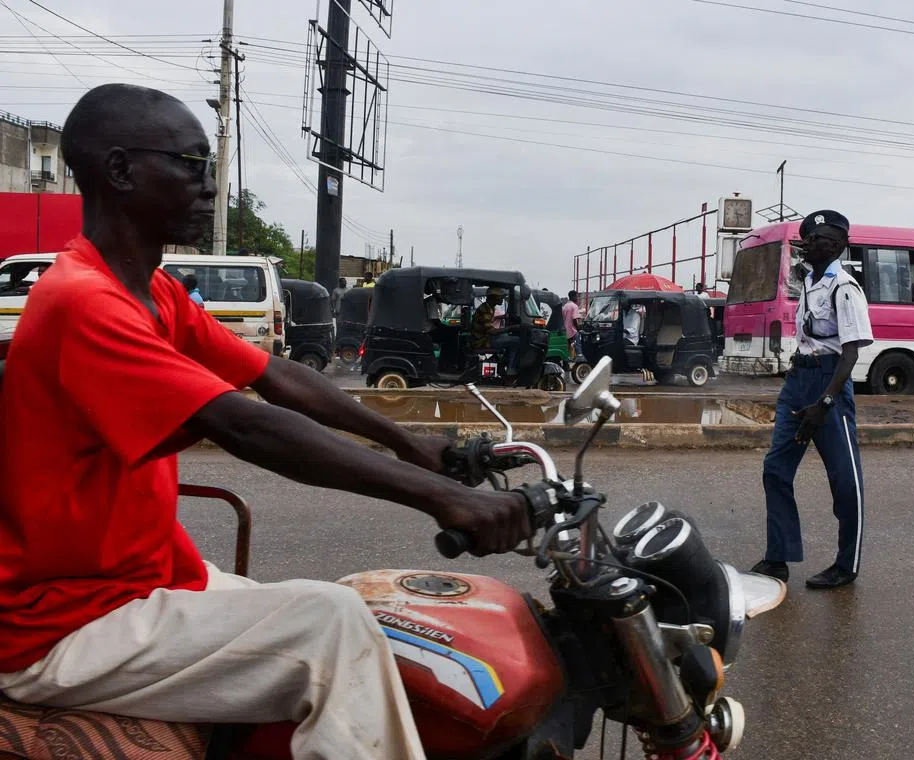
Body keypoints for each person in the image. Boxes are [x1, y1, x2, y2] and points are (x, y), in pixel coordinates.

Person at [0, 84, 533, 760]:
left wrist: (414, 447)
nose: (209, 187)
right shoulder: (86, 303)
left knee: (374, 619)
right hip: (61, 624)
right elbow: (245, 425)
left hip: (140, 583)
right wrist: (443, 499)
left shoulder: (151, 290)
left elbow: (274, 376)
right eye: (192, 165)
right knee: (332, 627)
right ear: (120, 171)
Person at [751, 210, 874, 590]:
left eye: (819, 238)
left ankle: (845, 564)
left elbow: (850, 354)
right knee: (776, 469)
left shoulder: (845, 288)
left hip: (829, 382)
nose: (810, 243)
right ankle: (778, 558)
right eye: (808, 237)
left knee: (844, 479)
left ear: (838, 246)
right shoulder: (809, 282)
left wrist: (824, 404)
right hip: (799, 379)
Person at [471, 287, 519, 374]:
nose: (502, 299)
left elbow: (488, 322)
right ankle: (511, 370)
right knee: (516, 341)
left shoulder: (490, 308)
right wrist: (510, 328)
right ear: (493, 298)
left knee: (507, 337)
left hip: (485, 338)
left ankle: (502, 363)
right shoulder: (484, 309)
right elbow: (491, 331)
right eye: (500, 297)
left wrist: (503, 317)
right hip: (482, 341)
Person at [562, 290, 582, 358]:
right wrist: (578, 328)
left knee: (568, 349)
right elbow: (574, 319)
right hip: (572, 331)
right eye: (576, 296)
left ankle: (569, 359)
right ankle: (580, 358)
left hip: (566, 331)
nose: (577, 298)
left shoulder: (565, 306)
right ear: (573, 297)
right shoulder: (574, 306)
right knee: (578, 346)